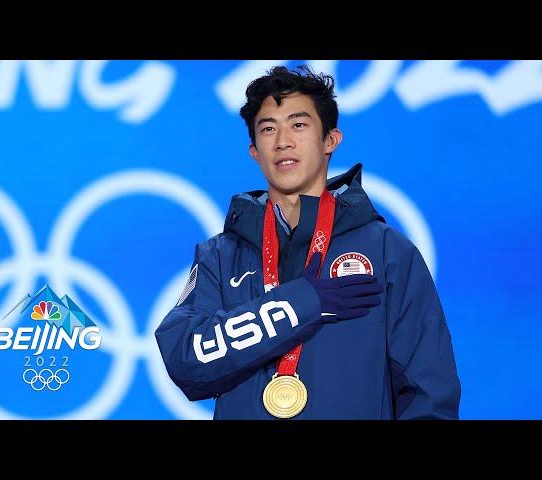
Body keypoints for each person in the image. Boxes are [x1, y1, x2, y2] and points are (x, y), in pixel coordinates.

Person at [155, 65, 461, 419]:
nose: (283, 140)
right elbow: (184, 359)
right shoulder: (220, 256)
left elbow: (428, 393)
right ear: (254, 150)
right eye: (268, 129)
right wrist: (302, 303)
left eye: (298, 125)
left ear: (330, 140)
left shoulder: (388, 252)